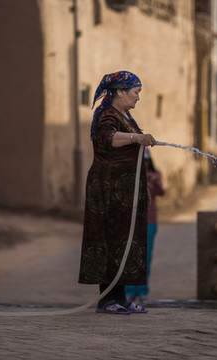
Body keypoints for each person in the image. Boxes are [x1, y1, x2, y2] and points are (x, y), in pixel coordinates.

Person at [78, 71, 156, 315]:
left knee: (126, 241)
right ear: (120, 92)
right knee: (110, 241)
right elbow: (108, 138)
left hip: (126, 192)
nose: (138, 98)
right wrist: (136, 137)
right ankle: (106, 300)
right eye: (136, 92)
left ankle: (120, 298)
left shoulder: (126, 115)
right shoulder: (107, 115)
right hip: (108, 189)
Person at [126, 148, 165, 302]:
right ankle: (129, 290)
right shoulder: (130, 176)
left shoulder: (154, 176)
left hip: (149, 220)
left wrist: (155, 184)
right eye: (142, 160)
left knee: (145, 257)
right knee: (131, 256)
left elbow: (162, 193)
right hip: (132, 221)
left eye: (146, 160)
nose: (144, 163)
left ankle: (142, 290)